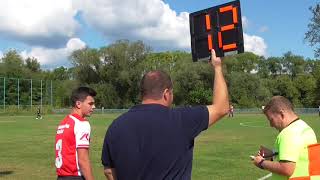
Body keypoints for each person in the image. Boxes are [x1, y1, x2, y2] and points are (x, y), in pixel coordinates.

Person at [101, 49, 229, 180]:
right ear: (166, 93)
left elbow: (109, 171)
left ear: (142, 93)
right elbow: (221, 108)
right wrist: (217, 67)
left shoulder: (116, 126)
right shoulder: (181, 119)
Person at [252, 96, 317, 180]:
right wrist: (273, 154)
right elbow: (302, 156)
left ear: (281, 114)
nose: (271, 125)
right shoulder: (305, 128)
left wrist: (261, 162)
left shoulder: (288, 133)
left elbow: (287, 169)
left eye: (271, 120)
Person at [55, 87, 97, 180]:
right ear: (78, 104)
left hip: (61, 176)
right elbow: (83, 160)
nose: (94, 107)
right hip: (74, 176)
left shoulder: (63, 123)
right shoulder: (82, 123)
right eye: (90, 104)